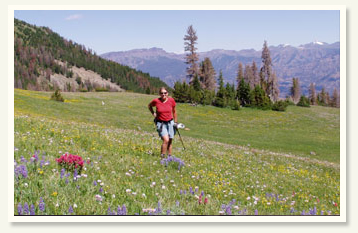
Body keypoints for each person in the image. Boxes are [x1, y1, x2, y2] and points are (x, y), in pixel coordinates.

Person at [148, 87, 177, 158]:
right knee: (166, 140)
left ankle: (169, 157)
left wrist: (175, 122)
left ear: (167, 93)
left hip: (170, 122)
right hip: (160, 123)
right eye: (162, 93)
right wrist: (153, 113)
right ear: (159, 94)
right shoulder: (156, 101)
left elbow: (174, 111)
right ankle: (162, 157)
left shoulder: (171, 100)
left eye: (165, 93)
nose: (163, 94)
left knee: (170, 140)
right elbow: (149, 106)